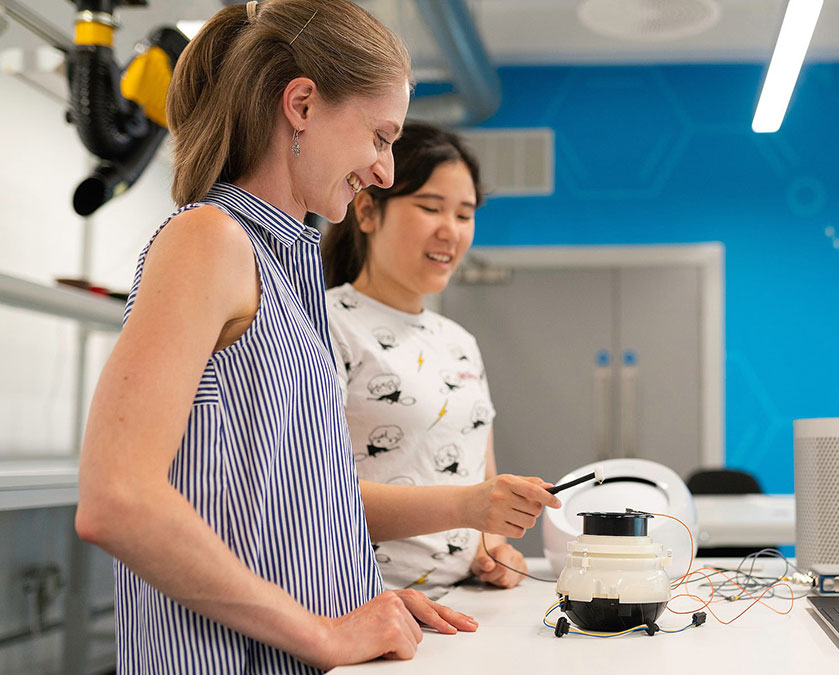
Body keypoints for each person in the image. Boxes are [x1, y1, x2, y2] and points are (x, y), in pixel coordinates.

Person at [74, 2, 481, 671]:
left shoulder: (287, 267)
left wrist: (363, 593)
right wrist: (324, 634)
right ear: (301, 105)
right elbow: (117, 500)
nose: (384, 168)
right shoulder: (209, 240)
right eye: (380, 137)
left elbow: (282, 504)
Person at [322, 122, 561, 596]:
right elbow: (313, 498)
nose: (450, 231)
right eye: (430, 208)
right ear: (367, 211)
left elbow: (481, 478)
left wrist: (494, 549)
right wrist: (467, 507)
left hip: (462, 603)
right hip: (367, 603)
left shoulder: (459, 341)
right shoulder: (326, 324)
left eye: (465, 214)